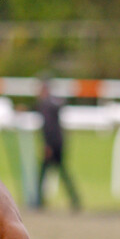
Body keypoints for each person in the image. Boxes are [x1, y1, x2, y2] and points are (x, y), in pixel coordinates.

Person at [35, 77, 81, 210]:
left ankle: (38, 201)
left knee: (44, 173)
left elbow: (49, 127)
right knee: (61, 173)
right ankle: (74, 199)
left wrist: (47, 145)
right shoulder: (53, 102)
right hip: (59, 143)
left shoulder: (45, 104)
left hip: (52, 144)